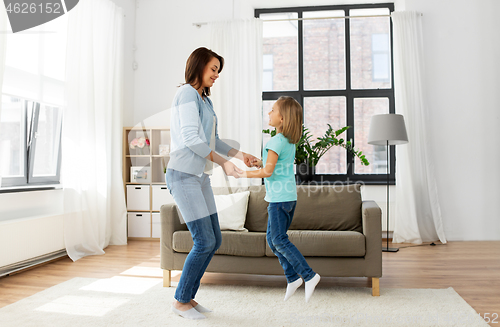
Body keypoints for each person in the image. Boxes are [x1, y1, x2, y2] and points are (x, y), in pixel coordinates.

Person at [166, 47, 259, 320]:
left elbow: (213, 141)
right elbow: (191, 139)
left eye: (218, 71)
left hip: (199, 177)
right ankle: (180, 301)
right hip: (183, 176)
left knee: (214, 239)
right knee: (203, 240)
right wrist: (223, 163)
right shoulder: (186, 94)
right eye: (213, 69)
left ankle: (188, 297)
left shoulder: (205, 101)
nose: (216, 75)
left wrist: (242, 156)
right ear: (199, 65)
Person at [237, 96, 321, 303]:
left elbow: (267, 172)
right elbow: (275, 166)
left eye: (272, 110)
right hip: (287, 197)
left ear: (282, 119)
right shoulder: (288, 141)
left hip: (279, 200)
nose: (269, 113)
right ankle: (292, 278)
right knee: (273, 240)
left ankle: (309, 275)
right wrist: (259, 162)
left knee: (278, 240)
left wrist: (242, 173)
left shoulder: (275, 141)